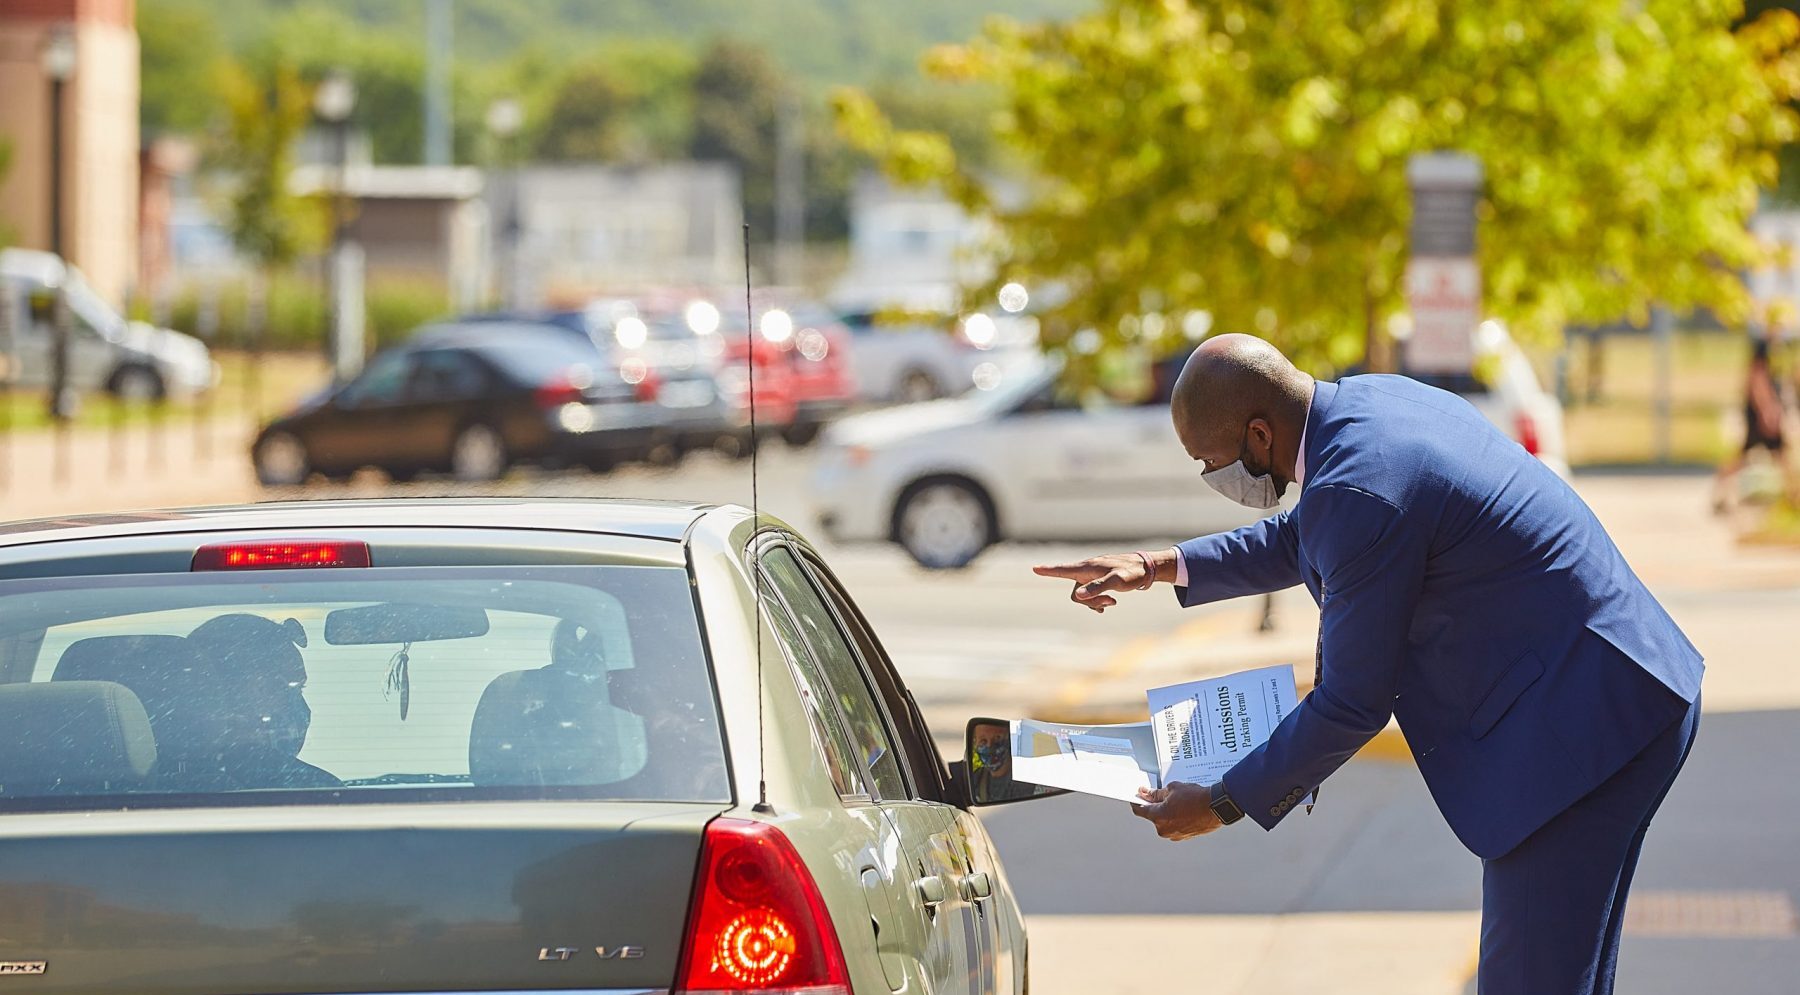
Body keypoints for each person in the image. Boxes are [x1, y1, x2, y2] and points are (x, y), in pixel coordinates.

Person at [1035, 334, 1702, 995]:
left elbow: (1353, 702)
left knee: (1528, 979)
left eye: (1214, 462)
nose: (1215, 478)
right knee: (1564, 976)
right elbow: (1301, 535)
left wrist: (1220, 801)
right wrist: (1156, 566)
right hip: (1619, 687)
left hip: (1582, 727)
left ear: (1260, 435)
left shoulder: (1359, 488)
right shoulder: (1364, 409)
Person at [1711, 335, 1797, 513]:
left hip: (1766, 413)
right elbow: (1757, 378)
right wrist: (1767, 409)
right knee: (1751, 456)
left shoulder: (1778, 346)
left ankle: (1792, 499)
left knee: (1780, 457)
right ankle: (1792, 500)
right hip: (1761, 415)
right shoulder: (1763, 346)